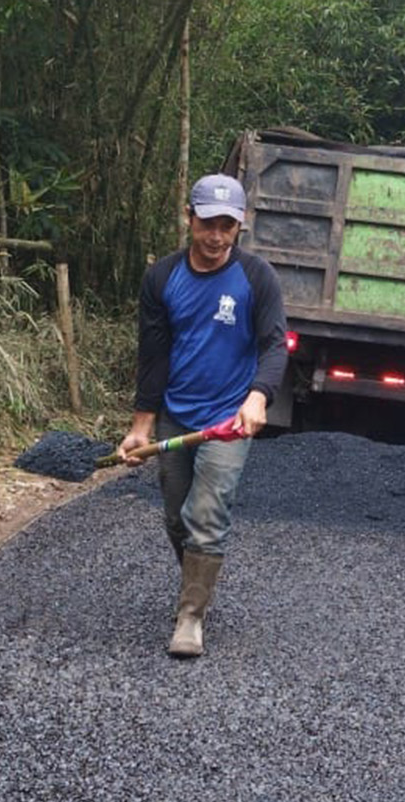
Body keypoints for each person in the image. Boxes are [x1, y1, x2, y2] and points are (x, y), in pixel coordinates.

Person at [117, 173, 286, 658]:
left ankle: (190, 616)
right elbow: (153, 356)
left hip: (229, 419)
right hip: (176, 413)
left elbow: (275, 346)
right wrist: (140, 427)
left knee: (207, 513)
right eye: (207, 224)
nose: (216, 237)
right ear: (188, 218)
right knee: (177, 517)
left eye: (227, 226)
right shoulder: (162, 278)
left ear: (241, 226)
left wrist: (257, 398)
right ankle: (195, 583)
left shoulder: (256, 278)